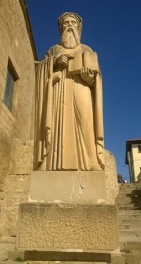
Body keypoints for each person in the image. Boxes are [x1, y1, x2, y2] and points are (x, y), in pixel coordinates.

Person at [34, 12, 104, 171]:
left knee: (86, 122)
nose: (70, 26)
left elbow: (97, 77)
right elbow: (39, 70)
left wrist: (90, 78)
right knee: (55, 122)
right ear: (61, 28)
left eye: (73, 23)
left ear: (79, 28)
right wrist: (53, 63)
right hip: (59, 89)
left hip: (81, 87)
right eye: (66, 23)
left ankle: (92, 161)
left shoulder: (86, 49)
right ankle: (49, 162)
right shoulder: (53, 50)